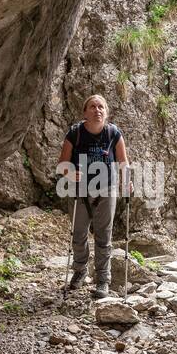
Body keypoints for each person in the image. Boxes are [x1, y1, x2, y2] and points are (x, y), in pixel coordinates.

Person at [57, 94, 130, 299]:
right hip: (79, 191)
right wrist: (70, 173)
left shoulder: (113, 133)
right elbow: (62, 164)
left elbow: (123, 162)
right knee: (78, 234)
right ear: (85, 112)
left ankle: (103, 280)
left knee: (103, 236)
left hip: (107, 190)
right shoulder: (75, 134)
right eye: (92, 107)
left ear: (106, 112)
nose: (97, 110)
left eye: (101, 107)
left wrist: (127, 181)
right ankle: (80, 271)